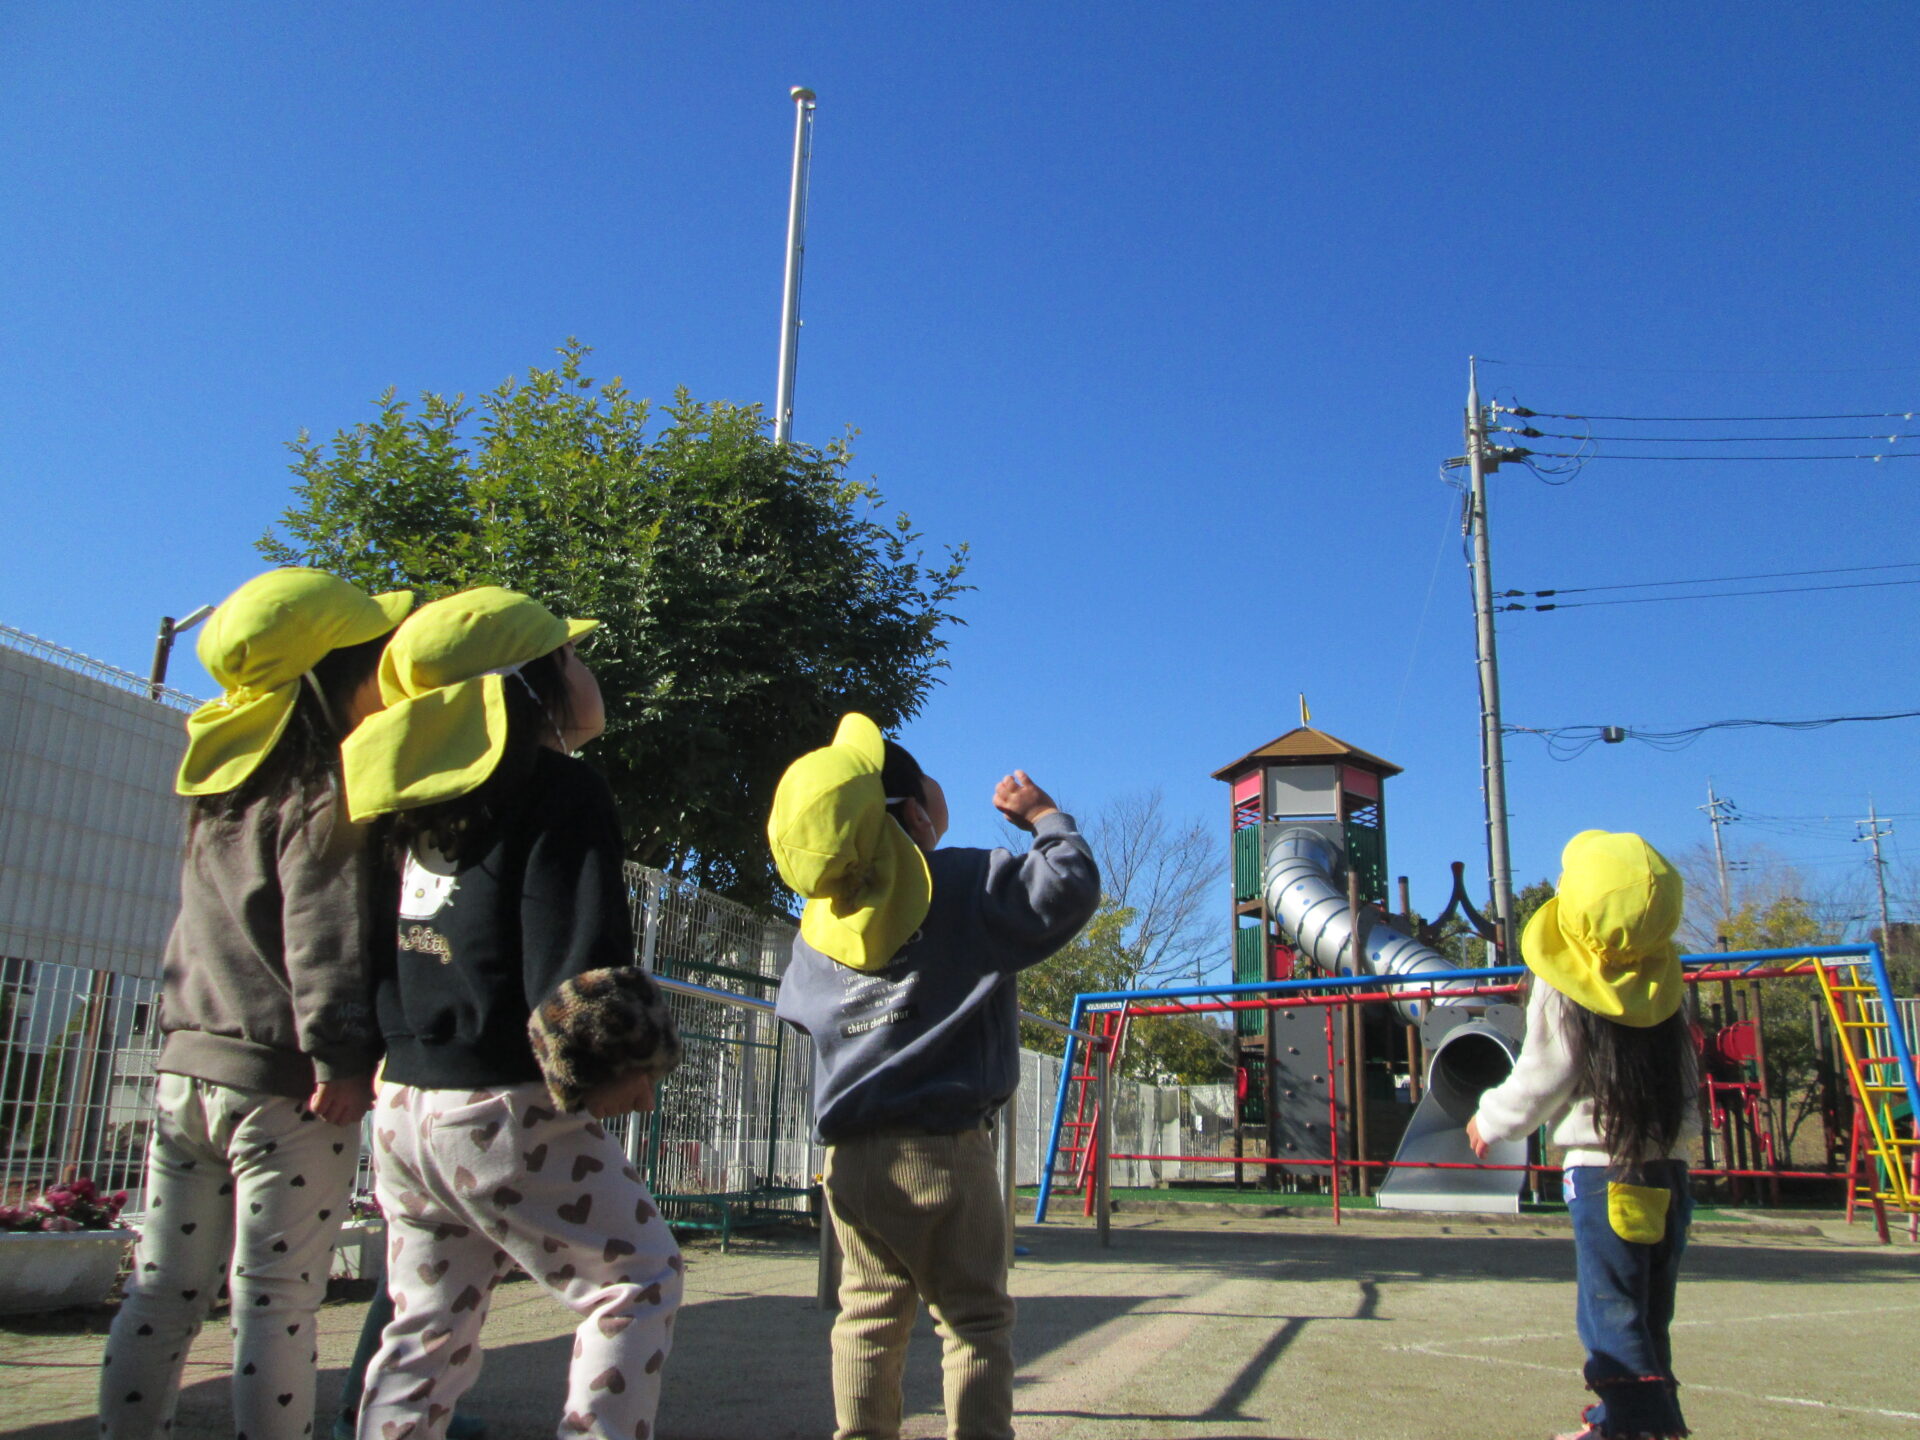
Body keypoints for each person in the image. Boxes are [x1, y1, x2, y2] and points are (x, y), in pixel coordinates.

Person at [339, 586, 682, 1440]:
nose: (587, 669)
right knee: (636, 1277)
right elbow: (576, 951)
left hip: (404, 1105)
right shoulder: (557, 788)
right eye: (571, 654)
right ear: (531, 685)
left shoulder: (403, 804)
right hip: (504, 1105)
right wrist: (616, 1065)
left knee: (426, 1321)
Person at [101, 567, 412, 1440]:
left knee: (162, 1291)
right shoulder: (328, 795)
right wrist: (342, 1058)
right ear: (333, 679)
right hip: (288, 1088)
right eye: (376, 658)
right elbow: (325, 938)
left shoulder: (221, 798)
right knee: (275, 1301)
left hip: (186, 1072)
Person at [770, 714, 1100, 1440]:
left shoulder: (817, 930)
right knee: (973, 1318)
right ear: (916, 817)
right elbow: (1068, 886)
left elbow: (797, 1014)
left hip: (851, 1159)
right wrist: (1045, 818)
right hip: (944, 1148)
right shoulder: (959, 882)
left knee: (867, 1315)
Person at [1466, 830, 1699, 1440]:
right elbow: (1686, 1077)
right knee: (1647, 1311)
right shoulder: (1665, 980)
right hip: (1670, 1168)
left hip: (1601, 1171)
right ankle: (1623, 1420)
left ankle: (1640, 1430)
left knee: (1609, 1313)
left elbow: (1543, 1074)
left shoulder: (1565, 982)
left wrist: (1489, 1120)